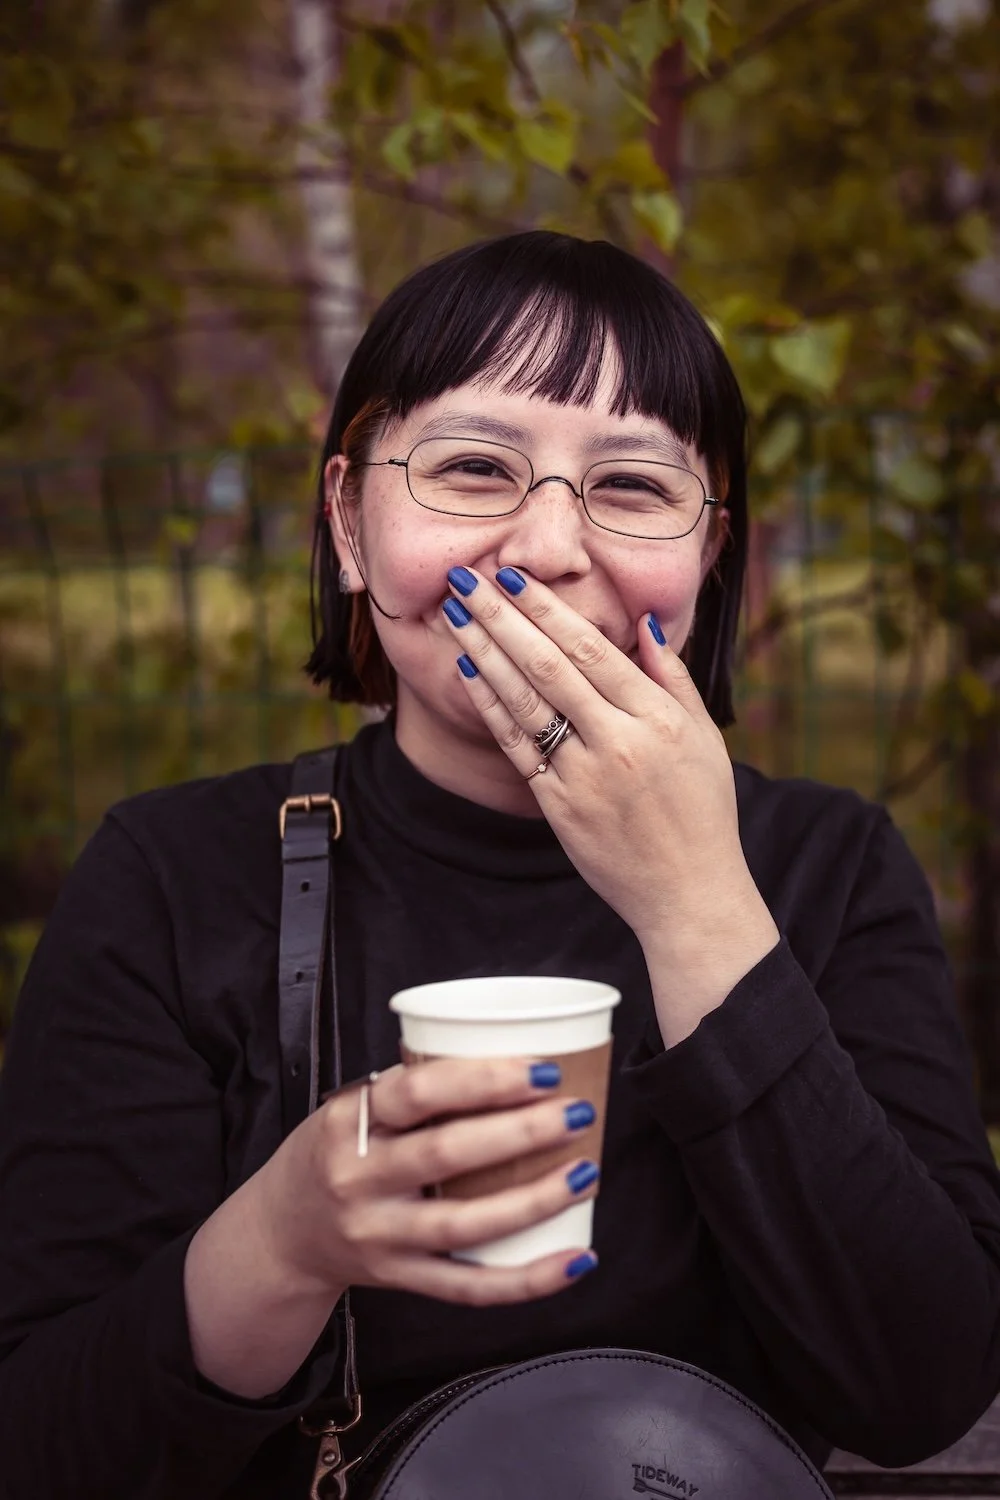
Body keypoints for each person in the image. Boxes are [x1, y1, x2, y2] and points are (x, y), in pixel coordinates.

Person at [1, 231, 999, 1500]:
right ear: (349, 527)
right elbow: (41, 1444)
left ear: (709, 556)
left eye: (632, 487)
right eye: (474, 468)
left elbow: (922, 1386)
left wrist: (694, 901)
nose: (544, 546)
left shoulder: (830, 867)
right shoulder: (172, 877)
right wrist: (284, 1242)